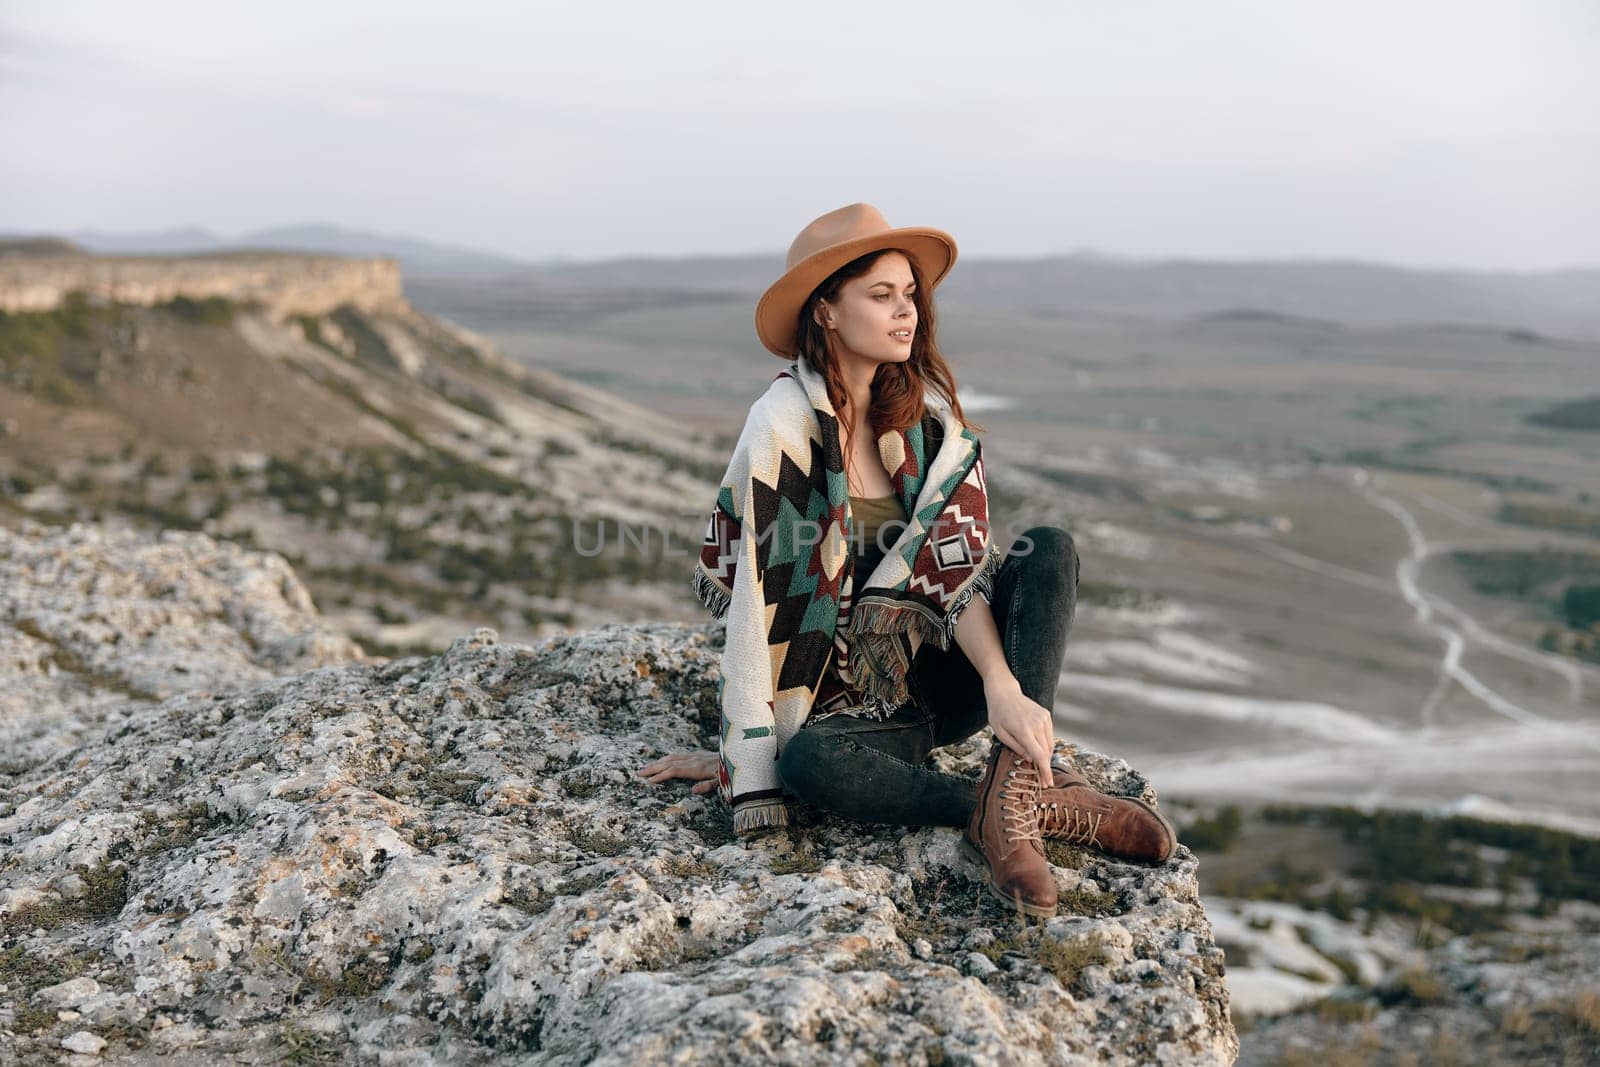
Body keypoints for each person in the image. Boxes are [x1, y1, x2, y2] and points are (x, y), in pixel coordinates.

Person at [640, 204, 1174, 918]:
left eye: (910, 295)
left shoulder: (923, 426)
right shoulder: (783, 428)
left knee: (1048, 547)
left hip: (938, 686)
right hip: (850, 715)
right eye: (881, 295)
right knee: (806, 767)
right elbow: (758, 604)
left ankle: (1013, 787)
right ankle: (1010, 808)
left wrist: (1003, 688)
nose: (908, 312)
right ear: (826, 311)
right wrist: (747, 748)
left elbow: (956, 576)